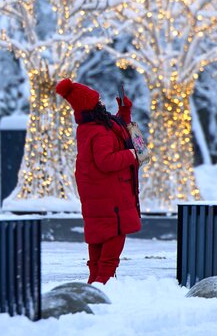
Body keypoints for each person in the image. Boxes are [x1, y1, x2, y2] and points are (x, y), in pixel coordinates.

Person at [55, 78, 151, 285]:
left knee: (99, 235)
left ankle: (95, 282)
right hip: (110, 192)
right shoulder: (98, 131)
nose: (101, 103)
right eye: (96, 101)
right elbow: (105, 161)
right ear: (90, 106)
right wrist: (132, 154)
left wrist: (124, 111)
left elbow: (117, 129)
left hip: (101, 192)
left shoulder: (94, 125)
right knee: (115, 234)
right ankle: (103, 282)